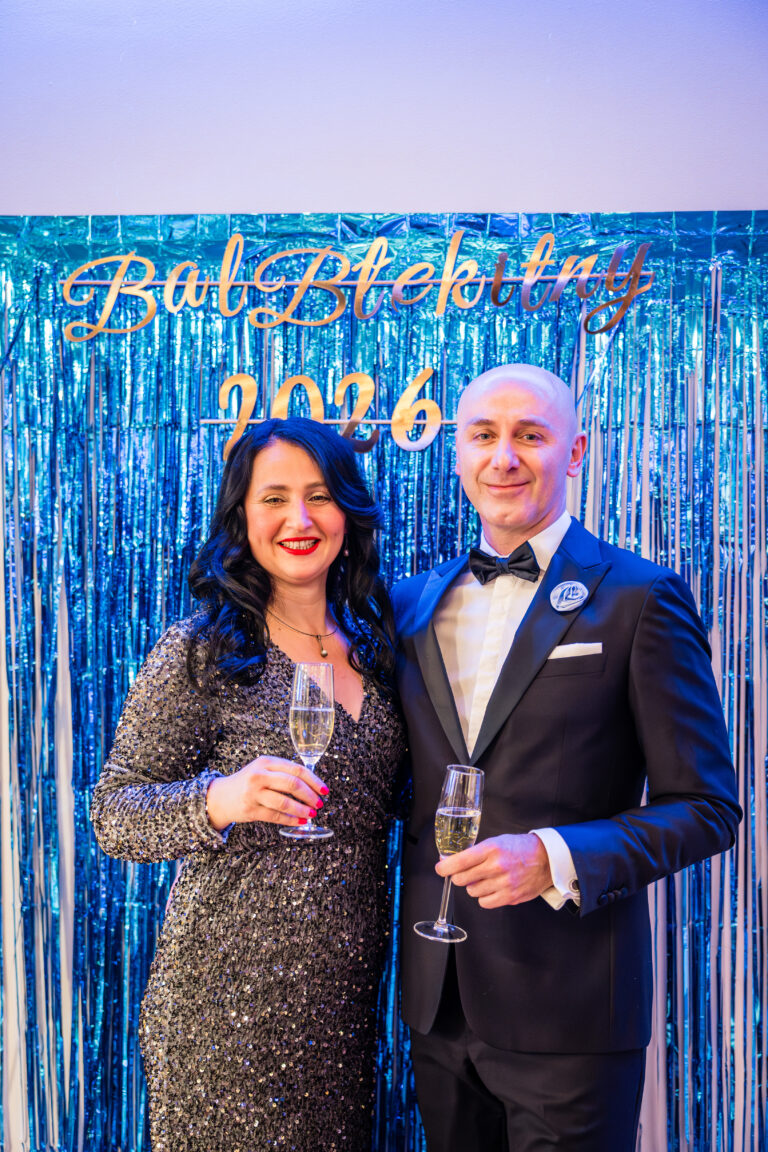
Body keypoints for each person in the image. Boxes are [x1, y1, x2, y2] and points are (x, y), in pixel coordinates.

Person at [392, 363, 741, 1152]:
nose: (503, 457)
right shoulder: (409, 605)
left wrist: (553, 856)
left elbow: (708, 807)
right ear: (457, 451)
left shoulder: (641, 598)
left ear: (575, 451)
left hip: (572, 1012)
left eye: (530, 435)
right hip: (437, 1005)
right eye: (483, 435)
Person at [91, 417, 405, 1152]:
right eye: (274, 499)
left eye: (319, 496)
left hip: (342, 1009)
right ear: (241, 518)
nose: (300, 519)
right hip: (222, 1008)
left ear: (348, 515)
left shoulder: (380, 650)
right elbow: (113, 813)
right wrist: (220, 798)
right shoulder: (202, 651)